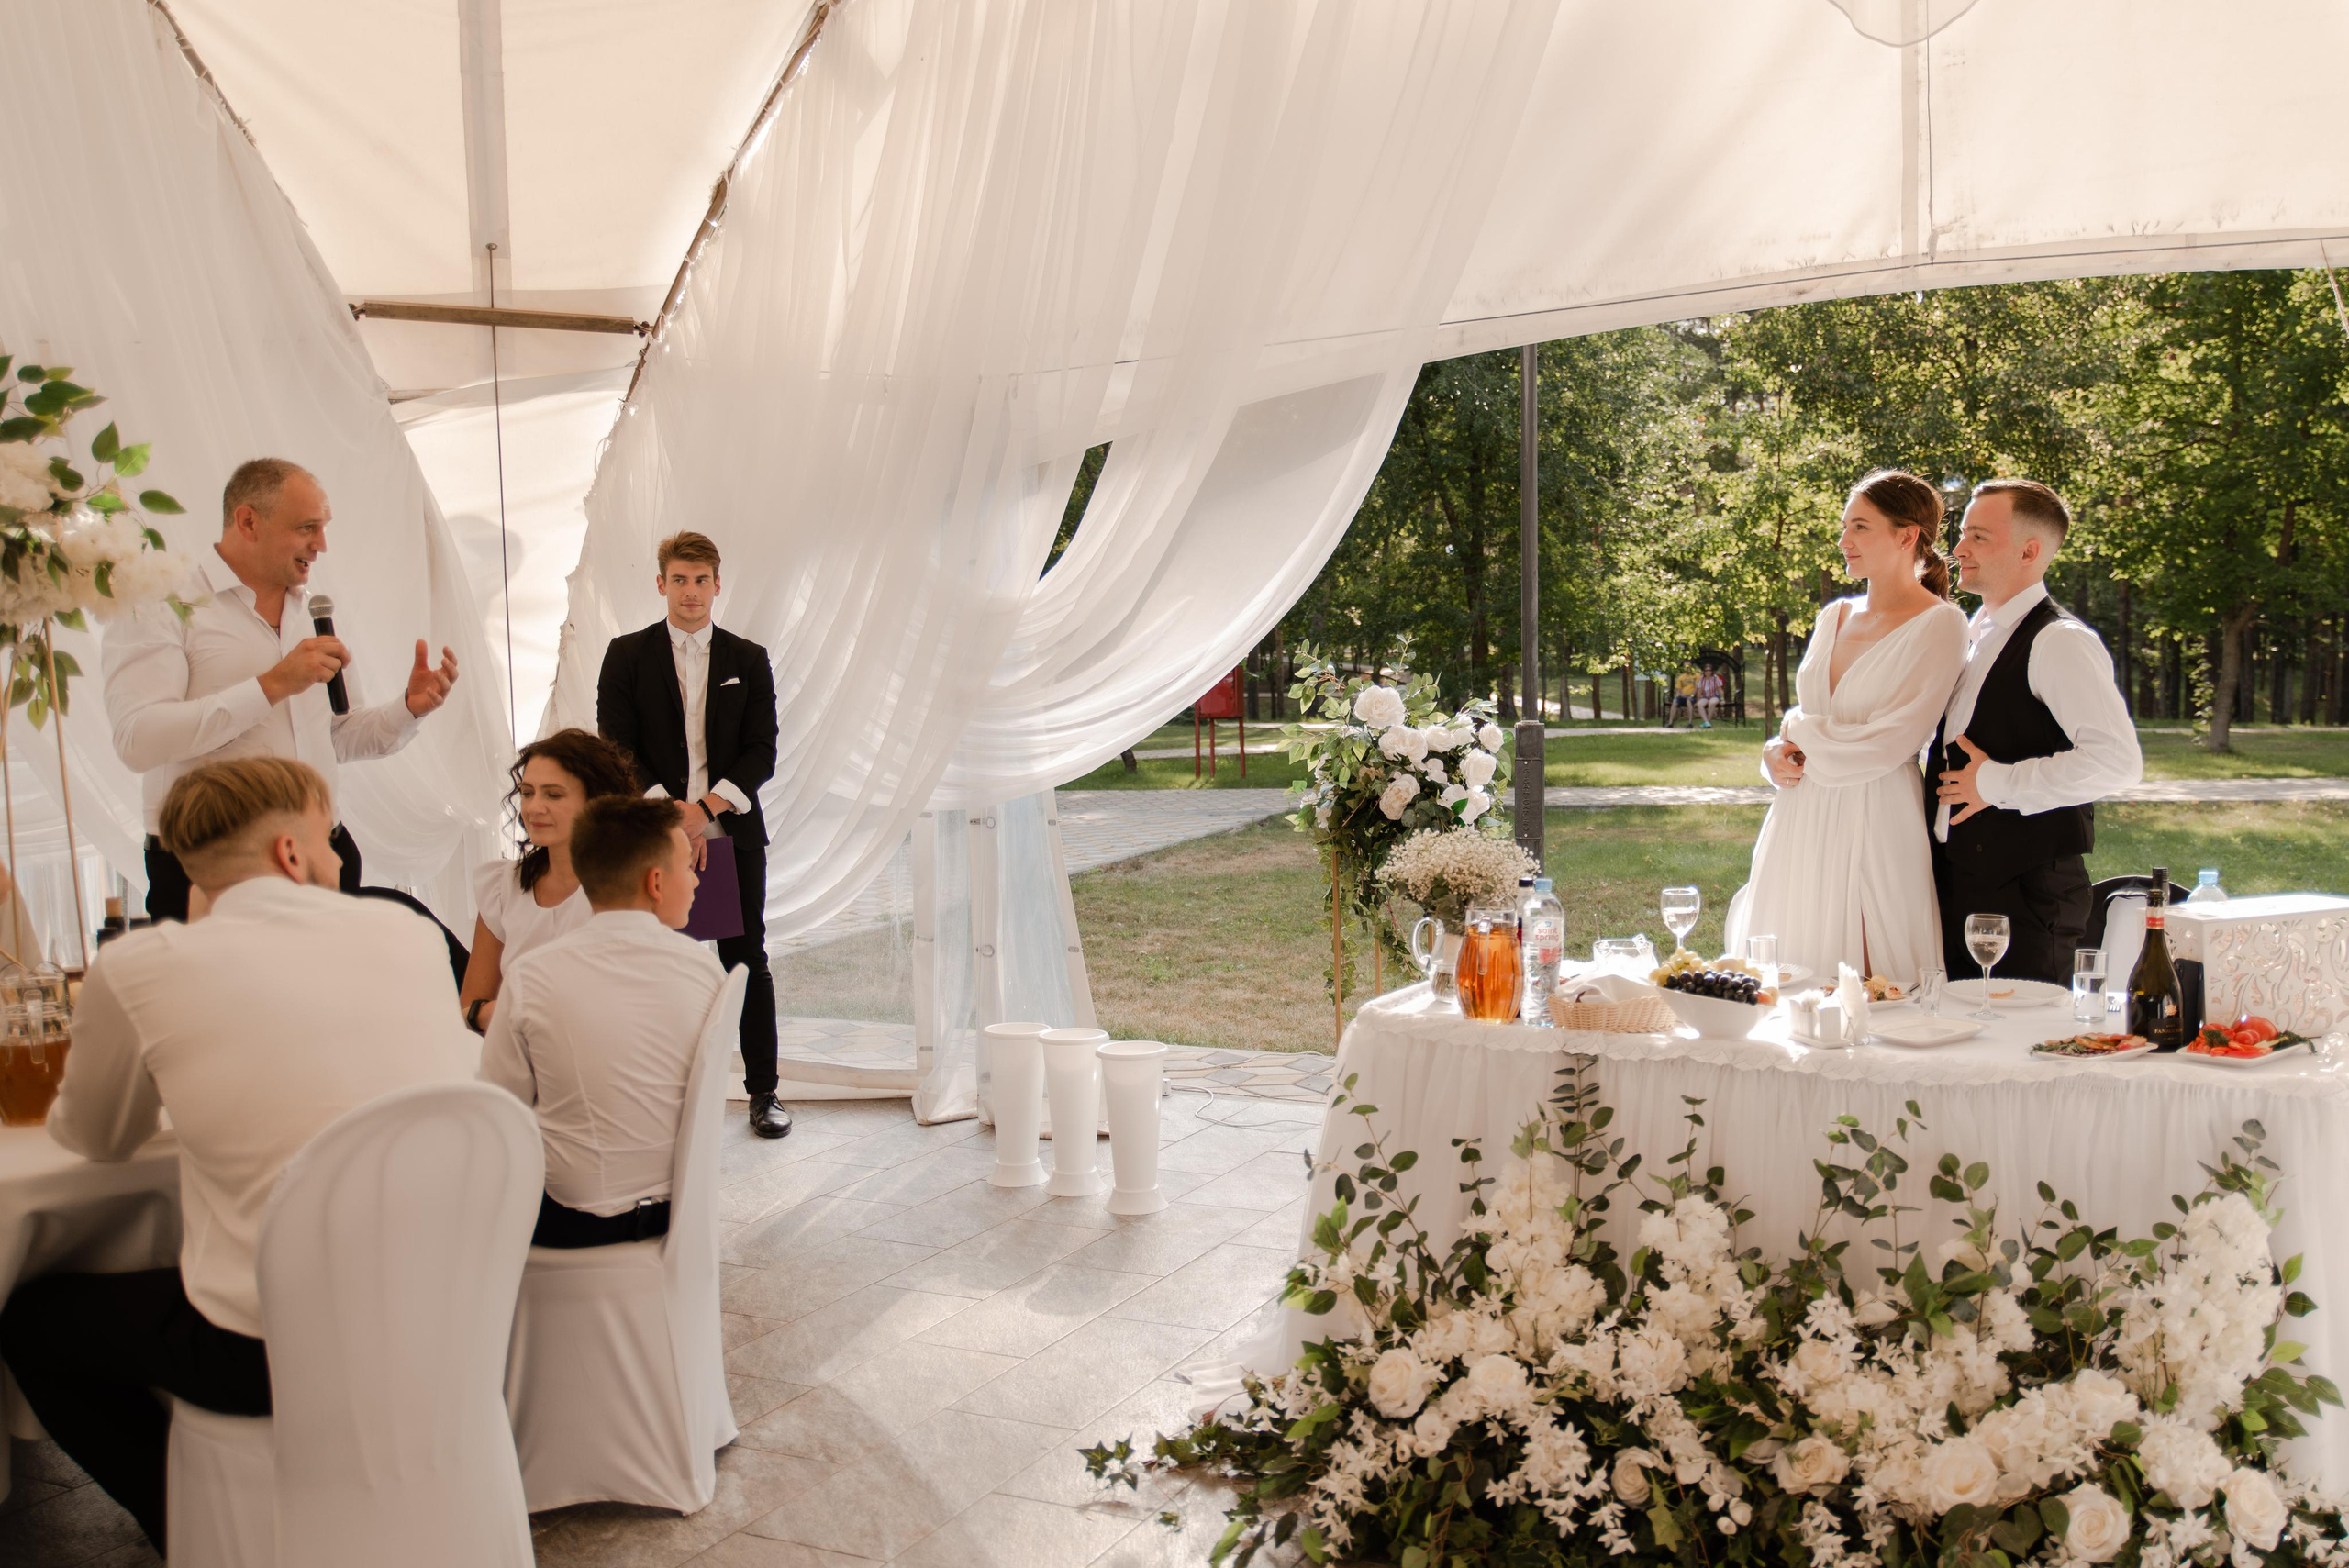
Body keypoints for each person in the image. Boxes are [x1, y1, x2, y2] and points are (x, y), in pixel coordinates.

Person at [0, 758, 473, 1550]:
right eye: (330, 840)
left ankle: (188, 1525)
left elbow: (97, 1139)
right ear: (291, 853)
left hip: (273, 1355)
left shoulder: (143, 964)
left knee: (30, 1318)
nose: (337, 859)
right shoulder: (412, 934)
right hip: (453, 1310)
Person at [101, 457, 461, 922]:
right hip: (214, 868)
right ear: (248, 520)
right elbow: (138, 740)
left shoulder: (314, 610)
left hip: (322, 855)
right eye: (307, 527)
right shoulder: (163, 604)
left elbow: (335, 739)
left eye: (324, 527)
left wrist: (409, 709)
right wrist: (271, 686)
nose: (322, 545)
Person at [1724, 471, 1970, 984]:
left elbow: (1893, 740)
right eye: (1843, 527)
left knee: (1872, 978)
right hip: (1802, 810)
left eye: (1859, 527)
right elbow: (1807, 717)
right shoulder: (1833, 616)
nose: (1843, 542)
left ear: (1907, 537)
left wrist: (1798, 728)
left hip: (1877, 809)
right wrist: (1776, 748)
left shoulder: (1942, 623)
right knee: (1794, 965)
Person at [596, 531, 785, 1139]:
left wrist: (703, 811)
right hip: (652, 835)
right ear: (660, 584)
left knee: (742, 959)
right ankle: (648, 1096)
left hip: (728, 830)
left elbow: (762, 752)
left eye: (701, 579)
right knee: (653, 961)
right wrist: (670, 816)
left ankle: (764, 1093)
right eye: (679, 579)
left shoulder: (747, 659)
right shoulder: (625, 656)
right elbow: (616, 746)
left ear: (717, 584)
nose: (691, 591)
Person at [480, 795, 722, 1248]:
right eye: (687, 867)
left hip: (573, 1220)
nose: (694, 881)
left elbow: (501, 1109)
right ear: (655, 882)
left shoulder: (531, 976)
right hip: (683, 1209)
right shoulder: (705, 971)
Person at [1929, 480, 2142, 984]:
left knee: (2018, 1056)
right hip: (1952, 883)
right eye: (1962, 534)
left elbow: (2117, 762)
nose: (1959, 550)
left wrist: (1995, 784)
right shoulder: (1973, 635)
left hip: (2023, 896)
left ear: (2030, 550)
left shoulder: (2059, 642)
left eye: (1978, 536)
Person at [459, 728, 641, 1037]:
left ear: (597, 801)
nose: (532, 808)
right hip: (517, 1064)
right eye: (528, 792)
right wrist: (514, 1013)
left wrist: (515, 1011)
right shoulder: (502, 887)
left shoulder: (628, 888)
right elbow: (469, 1010)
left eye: (553, 794)